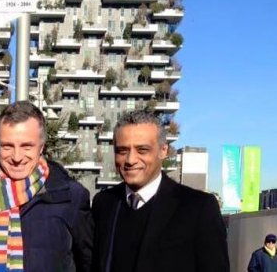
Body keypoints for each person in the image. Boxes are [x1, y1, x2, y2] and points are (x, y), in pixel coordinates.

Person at [0, 100, 93, 271]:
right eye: (7, 146)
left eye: (26, 146)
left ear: (41, 147)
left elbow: (87, 262)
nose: (17, 157)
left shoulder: (72, 196)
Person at [91, 110, 229, 272]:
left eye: (142, 150)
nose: (130, 160)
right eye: (122, 151)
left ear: (163, 151)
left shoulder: (198, 208)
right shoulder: (104, 203)